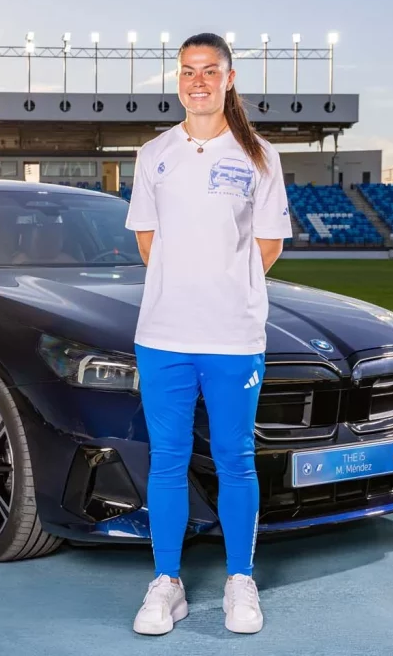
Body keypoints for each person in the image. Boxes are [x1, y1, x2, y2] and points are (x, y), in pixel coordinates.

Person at [125, 32, 292, 636]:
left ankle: (240, 581)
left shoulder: (260, 156)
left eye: (209, 70)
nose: (198, 81)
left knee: (235, 459)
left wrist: (225, 287)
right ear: (178, 80)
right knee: (166, 461)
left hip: (234, 335)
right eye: (187, 71)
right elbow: (148, 242)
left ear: (229, 79)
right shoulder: (153, 155)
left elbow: (266, 245)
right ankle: (166, 584)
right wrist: (187, 285)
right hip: (163, 332)